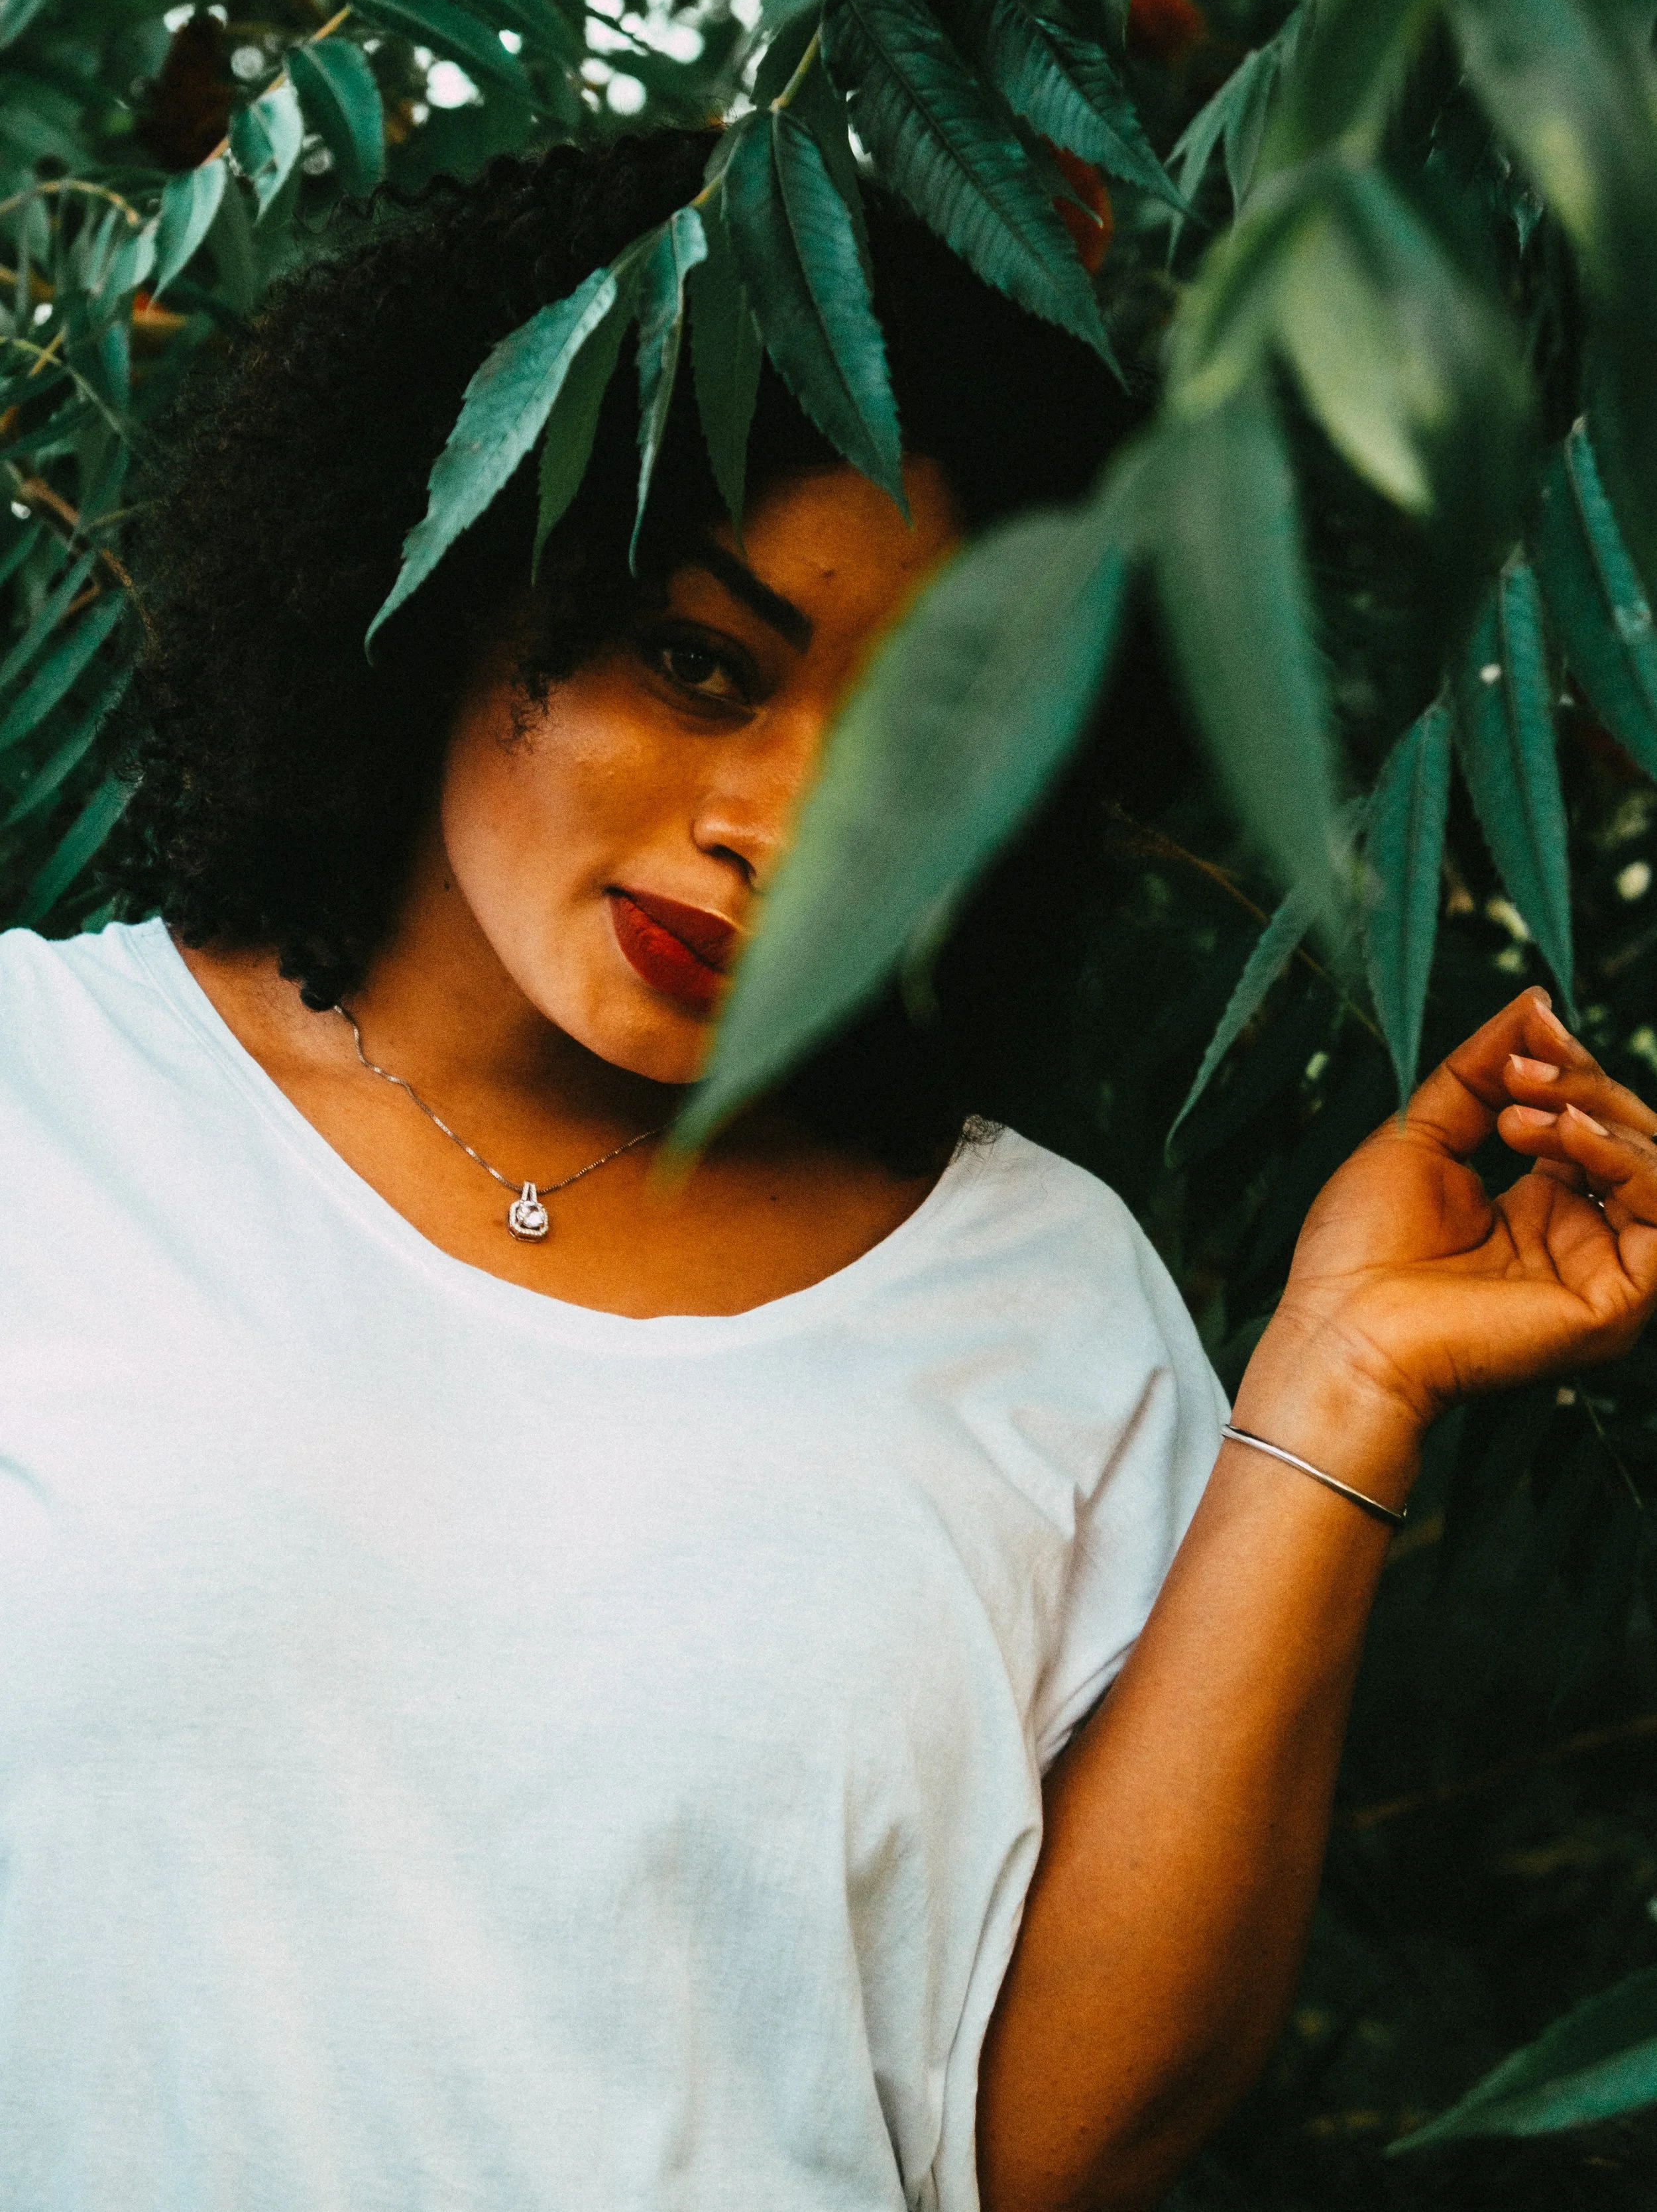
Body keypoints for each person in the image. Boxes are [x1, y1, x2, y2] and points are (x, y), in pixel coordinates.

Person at [3, 128, 1655, 2212]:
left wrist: (1341, 1378)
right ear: (454, 552)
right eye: (701, 663)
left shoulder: (1036, 1298)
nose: (780, 828)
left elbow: (1055, 2139)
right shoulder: (42, 1097)